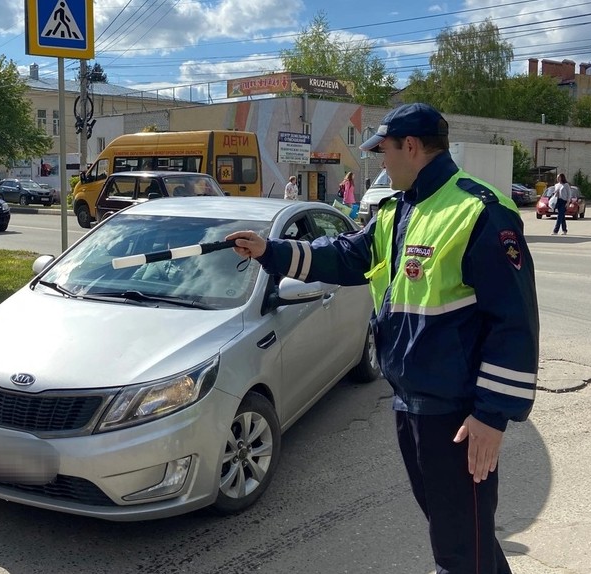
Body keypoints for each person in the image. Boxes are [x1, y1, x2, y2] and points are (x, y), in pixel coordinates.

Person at [227, 102, 539, 574]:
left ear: (411, 147)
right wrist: (271, 251)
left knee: (461, 548)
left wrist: (492, 417)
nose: (378, 160)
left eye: (384, 150)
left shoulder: (478, 212)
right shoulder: (401, 210)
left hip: (458, 416)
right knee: (457, 533)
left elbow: (515, 324)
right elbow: (346, 256)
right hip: (411, 403)